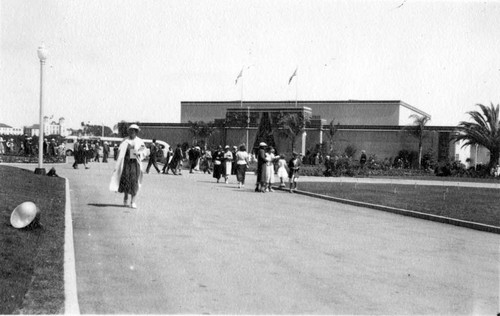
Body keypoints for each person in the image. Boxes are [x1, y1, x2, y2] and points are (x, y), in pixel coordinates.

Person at [109, 124, 146, 209]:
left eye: (134, 131)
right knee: (125, 181)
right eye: (130, 130)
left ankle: (133, 201)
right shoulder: (125, 140)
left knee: (134, 182)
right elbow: (119, 151)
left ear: (136, 132)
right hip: (126, 163)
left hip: (135, 164)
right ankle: (125, 197)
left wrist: (138, 152)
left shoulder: (140, 141)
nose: (132, 132)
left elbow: (144, 151)